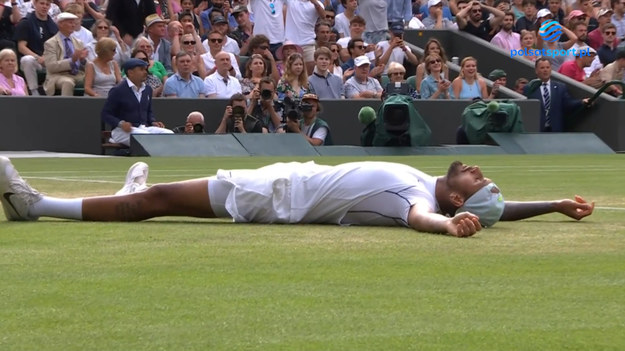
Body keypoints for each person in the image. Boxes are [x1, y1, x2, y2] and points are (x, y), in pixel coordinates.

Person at [0, 157, 596, 239]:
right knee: (149, 195)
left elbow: (417, 218)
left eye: (479, 180)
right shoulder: (427, 179)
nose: (475, 169)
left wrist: (447, 229)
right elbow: (501, 209)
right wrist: (553, 204)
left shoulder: (411, 194)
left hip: (268, 195)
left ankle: (36, 206)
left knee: (151, 200)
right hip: (277, 179)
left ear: (462, 201)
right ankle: (116, 192)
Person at [101, 58, 174, 146]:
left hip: (143, 128)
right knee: (145, 137)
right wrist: (121, 124)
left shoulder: (147, 90)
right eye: (141, 69)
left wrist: (153, 122)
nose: (145, 72)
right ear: (130, 72)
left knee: (169, 134)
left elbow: (148, 112)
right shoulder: (118, 90)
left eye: (145, 69)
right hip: (120, 131)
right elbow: (105, 114)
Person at [524, 57, 591, 132]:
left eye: (547, 67)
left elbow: (567, 103)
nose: (545, 70)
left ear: (551, 69)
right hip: (536, 130)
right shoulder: (530, 87)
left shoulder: (560, 87)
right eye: (542, 68)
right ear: (536, 70)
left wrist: (581, 102)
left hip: (555, 130)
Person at [15, 0, 58, 96]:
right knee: (27, 60)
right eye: (42, 3)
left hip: (49, 59)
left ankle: (49, 91)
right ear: (35, 4)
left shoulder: (53, 25)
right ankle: (34, 91)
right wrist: (38, 57)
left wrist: (47, 57)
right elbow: (21, 47)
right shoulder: (26, 22)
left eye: (47, 4)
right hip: (33, 60)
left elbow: (56, 46)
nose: (44, 6)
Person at [42, 12, 88, 96]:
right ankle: (65, 108)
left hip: (78, 74)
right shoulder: (50, 43)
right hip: (58, 75)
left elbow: (84, 66)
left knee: (97, 79)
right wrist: (71, 60)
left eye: (74, 23)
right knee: (67, 82)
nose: (73, 25)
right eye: (70, 22)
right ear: (60, 24)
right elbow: (51, 66)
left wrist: (82, 60)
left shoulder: (79, 43)